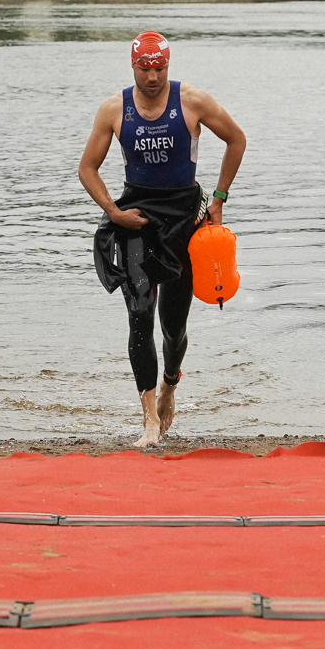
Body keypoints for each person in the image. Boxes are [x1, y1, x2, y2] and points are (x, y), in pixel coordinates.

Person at [79, 30, 247, 448]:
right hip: (137, 219)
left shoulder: (192, 101)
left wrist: (219, 199)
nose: (152, 77)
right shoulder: (114, 109)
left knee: (173, 327)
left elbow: (236, 139)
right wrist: (114, 212)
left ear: (168, 65)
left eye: (160, 68)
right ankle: (149, 419)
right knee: (140, 314)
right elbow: (87, 168)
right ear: (133, 66)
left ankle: (170, 384)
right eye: (144, 68)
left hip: (184, 221)